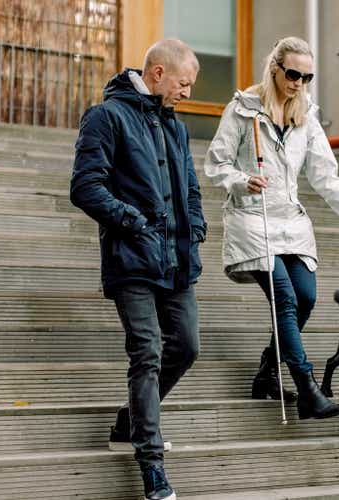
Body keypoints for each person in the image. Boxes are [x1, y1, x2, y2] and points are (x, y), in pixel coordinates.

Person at [204, 36, 339, 420]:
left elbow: (327, 177)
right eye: (293, 74)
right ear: (275, 69)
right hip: (252, 217)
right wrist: (242, 180)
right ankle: (306, 385)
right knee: (285, 297)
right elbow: (215, 165)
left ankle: (266, 372)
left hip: (291, 222)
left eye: (307, 76)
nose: (299, 82)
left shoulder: (306, 117)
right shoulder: (243, 109)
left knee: (307, 298)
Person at [70, 38, 206, 500]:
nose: (188, 92)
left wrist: (198, 225)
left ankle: (129, 421)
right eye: (184, 83)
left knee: (186, 347)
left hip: (177, 261)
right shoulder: (106, 117)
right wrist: (134, 222)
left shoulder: (177, 126)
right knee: (146, 352)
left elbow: (190, 187)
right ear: (158, 74)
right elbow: (86, 187)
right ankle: (151, 465)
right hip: (131, 259)